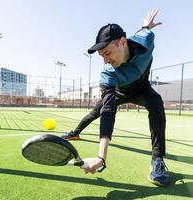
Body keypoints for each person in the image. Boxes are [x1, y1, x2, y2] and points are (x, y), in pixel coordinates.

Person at [61, 9, 169, 186]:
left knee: (156, 102)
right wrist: (101, 157)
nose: (105, 60)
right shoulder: (108, 73)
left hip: (142, 89)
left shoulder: (146, 40)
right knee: (96, 112)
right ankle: (75, 133)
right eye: (101, 55)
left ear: (123, 42)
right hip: (119, 92)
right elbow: (108, 113)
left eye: (107, 53)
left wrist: (146, 26)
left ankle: (157, 160)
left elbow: (144, 32)